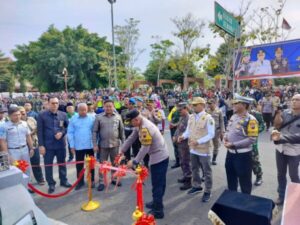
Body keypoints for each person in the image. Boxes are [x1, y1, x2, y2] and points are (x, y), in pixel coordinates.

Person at [119, 109, 169, 219]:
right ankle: (157, 202)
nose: (131, 125)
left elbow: (144, 148)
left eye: (131, 122)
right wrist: (122, 150)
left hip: (159, 158)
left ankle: (158, 210)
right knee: (158, 183)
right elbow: (131, 137)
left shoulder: (146, 128)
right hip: (157, 156)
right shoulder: (140, 123)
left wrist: (135, 161)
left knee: (157, 184)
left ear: (136, 119)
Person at [178, 97, 215, 203]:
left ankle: (208, 191)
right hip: (193, 149)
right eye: (192, 105)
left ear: (202, 105)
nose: (193, 107)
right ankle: (197, 186)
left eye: (195, 105)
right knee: (194, 168)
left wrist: (199, 141)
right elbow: (188, 131)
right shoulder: (192, 117)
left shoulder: (208, 118)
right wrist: (183, 136)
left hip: (204, 150)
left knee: (207, 171)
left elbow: (211, 134)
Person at [224, 94, 258, 194]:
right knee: (231, 179)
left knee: (245, 182)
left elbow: (252, 139)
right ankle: (233, 200)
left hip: (243, 155)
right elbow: (228, 130)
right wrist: (225, 138)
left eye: (236, 103)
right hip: (230, 154)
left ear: (244, 105)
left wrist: (234, 144)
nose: (233, 104)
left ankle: (245, 203)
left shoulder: (251, 119)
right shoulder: (234, 116)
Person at [37, 96, 71, 194]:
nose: (54, 105)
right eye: (52, 103)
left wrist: (62, 133)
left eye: (56, 103)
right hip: (48, 146)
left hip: (60, 145)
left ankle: (63, 180)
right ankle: (51, 183)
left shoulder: (63, 115)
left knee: (62, 164)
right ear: (48, 104)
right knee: (48, 166)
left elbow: (67, 127)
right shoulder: (42, 115)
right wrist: (41, 145)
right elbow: (40, 131)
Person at [272, 93, 300, 205]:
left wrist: (282, 137)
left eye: (297, 99)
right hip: (280, 149)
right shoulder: (285, 112)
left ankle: (296, 197)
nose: (294, 101)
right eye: (292, 99)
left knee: (293, 175)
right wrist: (278, 114)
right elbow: (277, 126)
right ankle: (282, 196)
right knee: (281, 174)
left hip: (295, 150)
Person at [92, 99, 125, 191]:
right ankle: (102, 181)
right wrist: (94, 144)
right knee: (103, 164)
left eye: (110, 106)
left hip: (115, 144)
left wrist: (124, 144)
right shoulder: (99, 117)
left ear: (113, 106)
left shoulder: (118, 117)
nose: (108, 108)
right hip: (102, 145)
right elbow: (94, 131)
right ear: (103, 107)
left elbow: (121, 131)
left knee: (115, 163)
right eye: (106, 106)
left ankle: (114, 178)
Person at [0, 107, 34, 179]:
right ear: (9, 116)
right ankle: (19, 188)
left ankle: (27, 187)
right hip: (13, 152)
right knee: (16, 170)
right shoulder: (3, 126)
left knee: (26, 169)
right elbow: (2, 141)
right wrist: (7, 155)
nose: (18, 117)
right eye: (15, 115)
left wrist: (31, 148)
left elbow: (28, 136)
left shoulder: (24, 124)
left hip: (24, 150)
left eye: (19, 114)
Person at [67, 103, 95, 190]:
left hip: (90, 146)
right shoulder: (73, 119)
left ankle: (92, 180)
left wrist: (96, 144)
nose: (83, 112)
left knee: (91, 164)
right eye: (81, 110)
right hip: (78, 146)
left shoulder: (92, 118)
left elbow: (95, 132)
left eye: (85, 110)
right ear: (77, 110)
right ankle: (80, 181)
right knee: (79, 165)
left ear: (87, 109)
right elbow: (70, 133)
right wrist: (71, 146)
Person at [19, 106, 45, 185]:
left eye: (23, 111)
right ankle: (26, 182)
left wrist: (33, 132)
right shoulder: (17, 123)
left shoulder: (31, 119)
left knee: (36, 163)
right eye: (20, 112)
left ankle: (40, 179)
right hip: (23, 147)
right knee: (23, 165)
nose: (23, 113)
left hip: (34, 144)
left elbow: (38, 128)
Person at [173, 102, 192, 190]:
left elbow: (189, 132)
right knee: (182, 161)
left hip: (185, 144)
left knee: (186, 162)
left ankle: (189, 181)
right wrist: (175, 136)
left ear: (186, 109)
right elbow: (178, 128)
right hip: (180, 143)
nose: (179, 111)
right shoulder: (182, 117)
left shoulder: (190, 119)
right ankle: (185, 176)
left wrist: (180, 137)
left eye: (180, 110)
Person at [249, 102, 265, 186]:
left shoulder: (256, 114)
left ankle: (259, 176)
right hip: (240, 141)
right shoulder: (238, 114)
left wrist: (254, 131)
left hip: (252, 141)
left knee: (254, 160)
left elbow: (263, 125)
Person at [207, 99, 225, 165]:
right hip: (208, 131)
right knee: (207, 145)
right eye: (208, 104)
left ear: (214, 103)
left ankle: (214, 159)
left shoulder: (219, 111)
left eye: (210, 103)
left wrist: (222, 131)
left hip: (216, 131)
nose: (209, 105)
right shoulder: (207, 111)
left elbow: (222, 121)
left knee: (216, 145)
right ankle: (206, 158)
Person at [168, 102, 181, 169]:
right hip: (174, 129)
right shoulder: (175, 110)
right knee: (176, 146)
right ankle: (178, 160)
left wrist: (173, 125)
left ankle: (178, 161)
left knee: (177, 146)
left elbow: (180, 121)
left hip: (176, 130)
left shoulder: (177, 111)